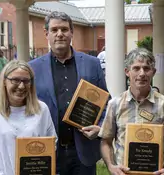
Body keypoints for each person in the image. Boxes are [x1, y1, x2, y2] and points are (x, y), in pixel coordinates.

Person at [29, 11, 108, 175]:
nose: (60, 34)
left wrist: (100, 127)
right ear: (47, 33)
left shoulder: (92, 64)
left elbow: (106, 103)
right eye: (54, 30)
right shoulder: (33, 68)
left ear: (71, 33)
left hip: (83, 150)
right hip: (48, 151)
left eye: (64, 29)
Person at [98, 48, 164, 175]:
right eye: (136, 68)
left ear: (153, 72)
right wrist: (111, 166)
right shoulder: (115, 104)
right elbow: (106, 141)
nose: (142, 73)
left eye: (146, 68)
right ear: (127, 71)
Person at [0, 60, 57, 175]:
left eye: (26, 81)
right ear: (4, 81)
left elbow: (52, 144)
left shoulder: (42, 110)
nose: (21, 86)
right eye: (15, 80)